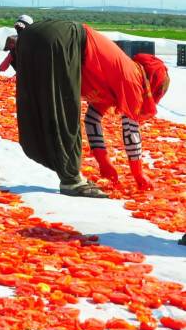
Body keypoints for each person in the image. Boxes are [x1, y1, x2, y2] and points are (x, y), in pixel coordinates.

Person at [14, 21, 170, 198]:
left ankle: (63, 169)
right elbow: (130, 128)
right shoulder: (133, 77)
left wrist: (104, 162)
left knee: (41, 103)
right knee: (66, 113)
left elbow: (92, 119)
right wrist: (138, 174)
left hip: (30, 37)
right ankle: (71, 181)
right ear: (153, 84)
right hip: (64, 39)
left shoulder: (113, 82)